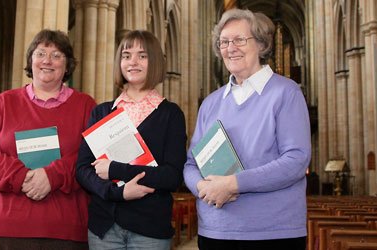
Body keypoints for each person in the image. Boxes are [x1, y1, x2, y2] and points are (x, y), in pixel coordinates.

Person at [182, 9, 311, 250]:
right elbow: (191, 164)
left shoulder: (286, 93)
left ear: (261, 44)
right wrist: (202, 187)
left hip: (272, 232)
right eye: (224, 42)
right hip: (215, 230)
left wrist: (232, 184)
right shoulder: (211, 103)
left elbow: (296, 160)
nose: (231, 47)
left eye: (240, 39)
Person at [0, 29, 96, 250]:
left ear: (67, 65)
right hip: (6, 228)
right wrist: (22, 176)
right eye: (40, 53)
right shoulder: (4, 103)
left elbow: (95, 156)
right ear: (30, 60)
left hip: (65, 229)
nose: (47, 61)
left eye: (57, 55)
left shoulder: (86, 106)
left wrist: (52, 176)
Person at [76, 30, 186, 249]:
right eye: (126, 56)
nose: (132, 62)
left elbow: (172, 176)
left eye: (142, 56)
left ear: (154, 61)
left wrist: (116, 170)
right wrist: (117, 193)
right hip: (104, 228)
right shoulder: (103, 112)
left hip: (150, 229)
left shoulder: (170, 114)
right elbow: (82, 169)